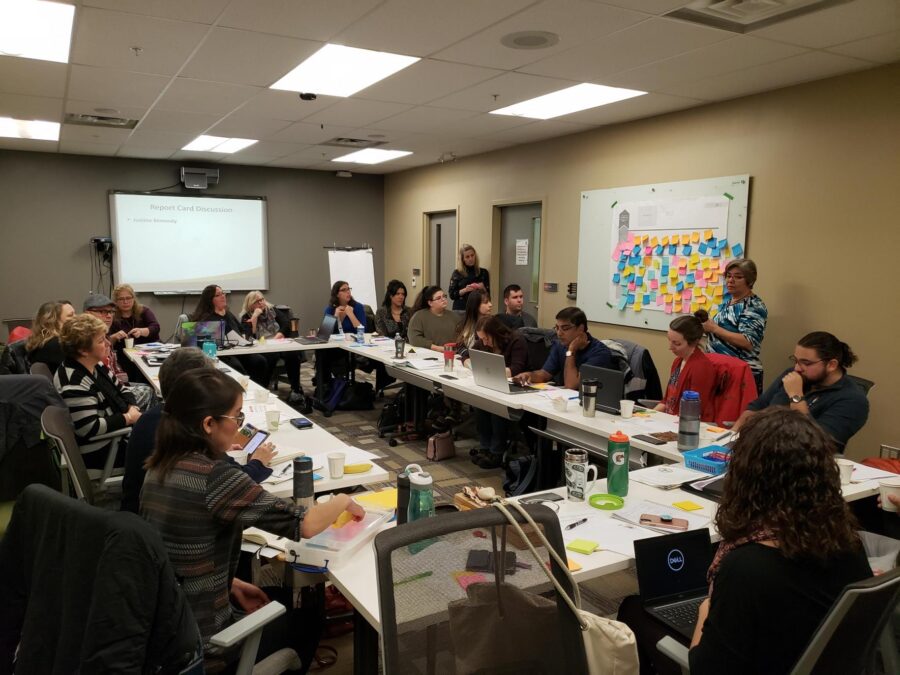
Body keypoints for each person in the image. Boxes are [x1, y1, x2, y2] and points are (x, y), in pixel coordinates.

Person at [141, 368, 365, 673]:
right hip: (207, 644)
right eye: (236, 418)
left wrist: (230, 583)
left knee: (276, 595)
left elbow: (175, 554)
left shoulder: (159, 466)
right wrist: (343, 500)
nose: (239, 427)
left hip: (167, 627)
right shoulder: (216, 478)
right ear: (208, 424)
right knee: (308, 612)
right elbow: (308, 524)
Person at [619, 408, 872, 675]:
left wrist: (707, 607)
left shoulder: (747, 566)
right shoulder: (849, 545)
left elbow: (705, 668)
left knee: (633, 610)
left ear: (745, 480)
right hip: (808, 658)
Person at [121, 347, 277, 514]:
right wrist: (259, 462)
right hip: (165, 523)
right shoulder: (187, 429)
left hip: (139, 515)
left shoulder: (153, 416)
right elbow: (238, 482)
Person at [733, 331, 869, 450]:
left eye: (806, 363)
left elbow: (816, 443)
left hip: (804, 466)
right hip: (763, 450)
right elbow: (757, 407)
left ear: (831, 365)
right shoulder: (793, 374)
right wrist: (732, 436)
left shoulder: (853, 400)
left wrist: (796, 396)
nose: (797, 368)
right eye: (796, 361)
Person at [55, 313, 142, 470]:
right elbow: (89, 428)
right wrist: (128, 418)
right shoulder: (74, 383)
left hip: (119, 435)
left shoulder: (95, 364)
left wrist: (131, 407)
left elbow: (122, 389)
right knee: (167, 448)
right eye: (101, 340)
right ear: (83, 350)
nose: (108, 343)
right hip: (104, 450)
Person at [465, 316, 529, 469]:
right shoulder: (484, 342)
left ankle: (496, 451)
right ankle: (485, 446)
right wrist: (472, 365)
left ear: (495, 333)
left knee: (496, 407)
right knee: (481, 402)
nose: (484, 342)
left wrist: (493, 370)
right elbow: (466, 356)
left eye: (486, 338)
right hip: (493, 384)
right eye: (481, 339)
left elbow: (516, 369)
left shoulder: (516, 341)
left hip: (517, 387)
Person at [699, 259, 767, 394]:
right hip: (720, 368)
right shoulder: (729, 301)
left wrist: (714, 329)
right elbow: (723, 334)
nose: (731, 280)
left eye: (738, 277)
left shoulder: (754, 306)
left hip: (741, 373)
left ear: (750, 281)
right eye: (729, 276)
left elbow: (748, 342)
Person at [84, 292, 157, 411]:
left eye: (111, 312)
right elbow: (104, 382)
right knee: (150, 392)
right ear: (88, 314)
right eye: (103, 312)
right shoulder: (88, 342)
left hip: (117, 388)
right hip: (109, 399)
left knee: (149, 388)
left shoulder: (103, 335)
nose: (109, 316)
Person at [512, 307, 613, 390]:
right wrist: (528, 375)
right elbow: (545, 374)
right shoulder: (559, 345)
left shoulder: (599, 353)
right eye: (557, 328)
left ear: (581, 328)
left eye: (565, 328)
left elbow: (571, 386)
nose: (559, 333)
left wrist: (571, 350)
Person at [191, 284, 268, 387]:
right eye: (218, 295)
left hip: (238, 351)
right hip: (221, 354)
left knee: (259, 361)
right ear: (210, 300)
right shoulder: (205, 318)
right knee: (236, 367)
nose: (223, 296)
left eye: (223, 293)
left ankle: (259, 390)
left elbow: (241, 332)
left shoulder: (228, 314)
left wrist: (251, 322)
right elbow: (202, 343)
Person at [240, 291, 306, 406]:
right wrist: (254, 318)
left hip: (278, 341)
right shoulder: (246, 317)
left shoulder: (273, 310)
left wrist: (277, 337)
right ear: (251, 304)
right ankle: (264, 388)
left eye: (262, 299)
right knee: (271, 356)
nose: (261, 303)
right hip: (262, 346)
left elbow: (286, 324)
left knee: (292, 354)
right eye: (257, 301)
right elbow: (250, 336)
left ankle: (295, 389)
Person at [655, 316, 717, 421]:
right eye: (669, 340)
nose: (670, 347)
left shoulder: (701, 367)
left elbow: (694, 411)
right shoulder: (678, 362)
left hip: (685, 423)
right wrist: (648, 415)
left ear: (693, 342)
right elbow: (666, 401)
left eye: (677, 343)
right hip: (669, 419)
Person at [25, 299, 75, 372]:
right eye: (70, 315)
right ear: (53, 321)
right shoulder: (55, 345)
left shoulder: (45, 341)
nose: (76, 318)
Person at [407, 285, 459, 352]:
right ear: (430, 303)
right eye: (438, 298)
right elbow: (414, 339)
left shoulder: (454, 316)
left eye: (444, 296)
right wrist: (438, 348)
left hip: (452, 354)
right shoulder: (419, 316)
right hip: (428, 355)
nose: (443, 299)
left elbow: (462, 337)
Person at [448, 244, 490, 311]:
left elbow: (488, 295)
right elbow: (452, 295)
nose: (470, 259)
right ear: (463, 259)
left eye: (472, 255)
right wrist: (465, 290)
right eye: (467, 257)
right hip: (461, 309)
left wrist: (482, 287)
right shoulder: (457, 273)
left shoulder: (483, 272)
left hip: (478, 308)